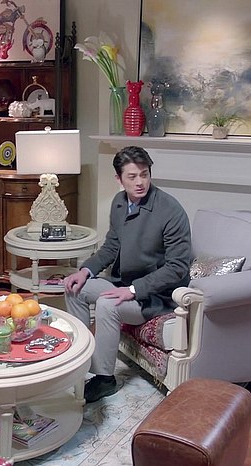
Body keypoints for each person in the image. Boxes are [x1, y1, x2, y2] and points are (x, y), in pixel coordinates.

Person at [63, 146, 192, 403]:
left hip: (155, 297)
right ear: (119, 179)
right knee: (76, 288)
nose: (140, 182)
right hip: (123, 284)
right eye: (132, 176)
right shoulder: (119, 202)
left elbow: (178, 267)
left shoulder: (170, 210)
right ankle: (77, 362)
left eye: (144, 174)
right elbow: (112, 245)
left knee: (107, 304)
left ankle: (104, 379)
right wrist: (86, 270)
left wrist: (133, 290)